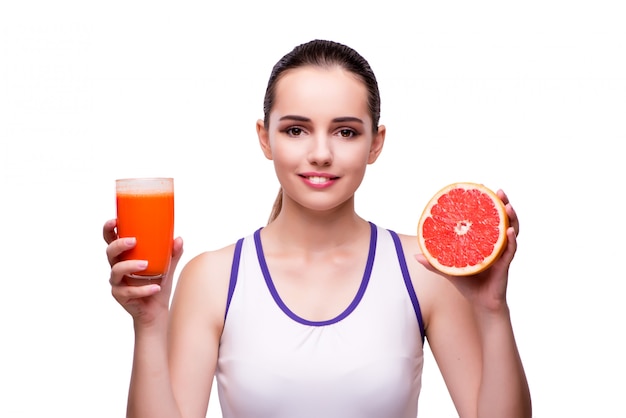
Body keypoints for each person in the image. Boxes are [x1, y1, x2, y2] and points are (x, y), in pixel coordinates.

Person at [104, 39, 531, 418]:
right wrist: (149, 325)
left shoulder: (424, 270)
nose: (321, 153)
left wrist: (493, 312)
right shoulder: (213, 278)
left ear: (375, 144)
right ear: (265, 138)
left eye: (345, 131)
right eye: (296, 130)